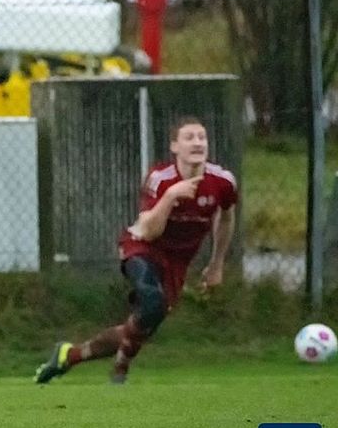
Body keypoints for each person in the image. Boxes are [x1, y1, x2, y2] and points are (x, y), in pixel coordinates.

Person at [35, 116, 237, 384]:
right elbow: (150, 231)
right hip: (143, 247)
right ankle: (120, 368)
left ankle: (70, 355)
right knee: (152, 302)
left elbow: (226, 218)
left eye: (202, 137)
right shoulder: (160, 179)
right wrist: (171, 196)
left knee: (144, 323)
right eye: (189, 137)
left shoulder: (223, 181)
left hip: (177, 262)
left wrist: (216, 264)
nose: (197, 143)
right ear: (174, 146)